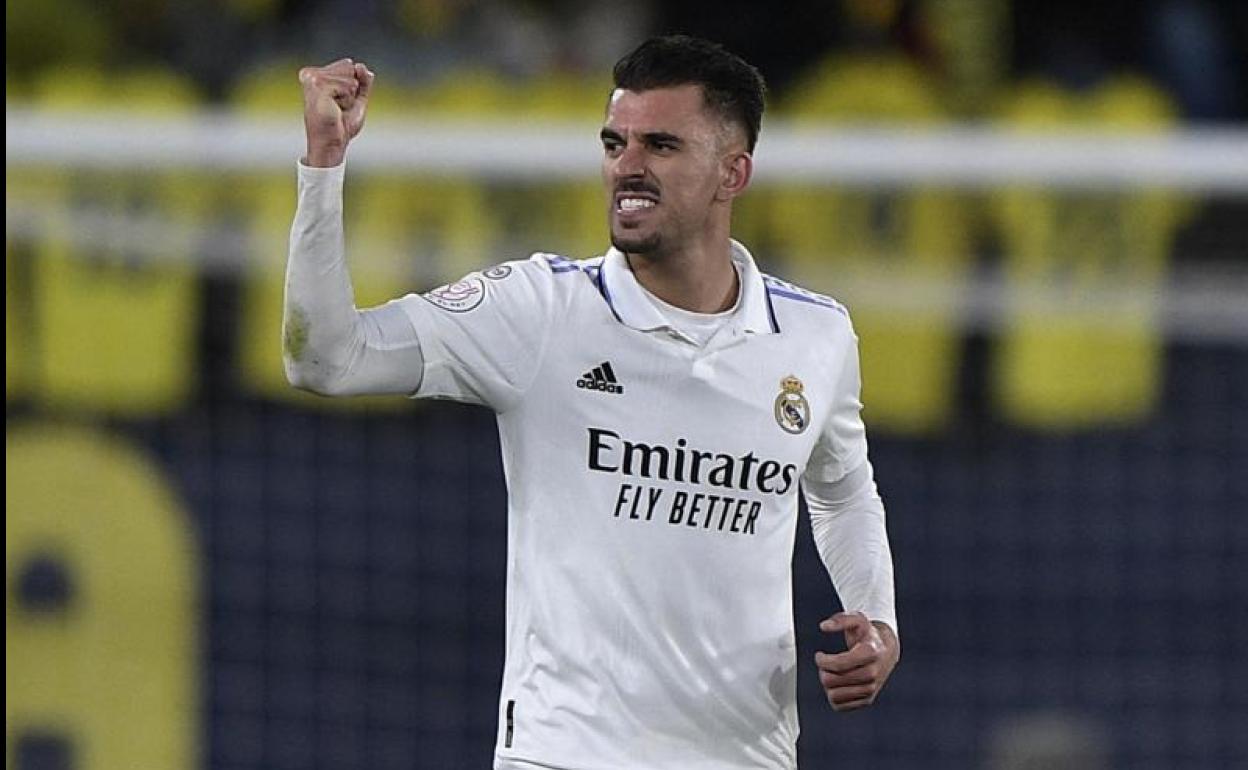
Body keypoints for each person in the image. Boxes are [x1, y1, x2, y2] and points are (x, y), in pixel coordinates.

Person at [285, 35, 899, 770]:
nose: (627, 167)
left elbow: (841, 491)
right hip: (566, 752)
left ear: (733, 173)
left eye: (661, 145)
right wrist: (324, 164)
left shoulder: (815, 334)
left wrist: (878, 616)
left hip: (747, 755)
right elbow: (326, 358)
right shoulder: (537, 310)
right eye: (615, 142)